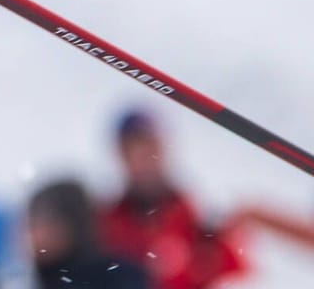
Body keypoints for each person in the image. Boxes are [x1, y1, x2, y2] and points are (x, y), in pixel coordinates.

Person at [100, 110, 245, 289]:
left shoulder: (200, 218)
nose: (143, 161)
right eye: (133, 152)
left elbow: (238, 277)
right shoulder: (105, 223)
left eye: (149, 150)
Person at [28, 178, 150, 289]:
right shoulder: (37, 278)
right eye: (31, 225)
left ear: (72, 225)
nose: (34, 236)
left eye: (43, 225)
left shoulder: (119, 277)